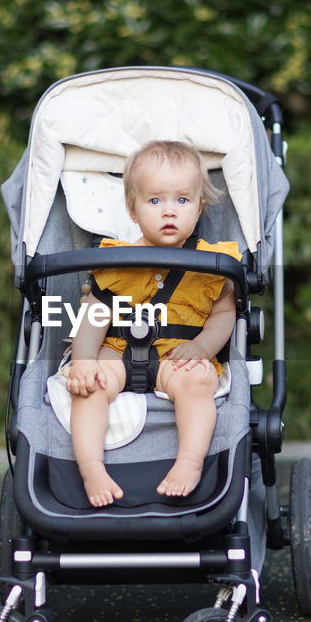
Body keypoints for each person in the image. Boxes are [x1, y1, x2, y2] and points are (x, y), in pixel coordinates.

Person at [64, 140, 239, 507]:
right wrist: (83, 359)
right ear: (133, 209)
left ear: (199, 207)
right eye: (155, 201)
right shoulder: (118, 261)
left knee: (197, 380)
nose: (169, 212)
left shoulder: (213, 263)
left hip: (177, 355)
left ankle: (189, 463)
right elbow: (95, 315)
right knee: (90, 386)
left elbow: (225, 314)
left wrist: (205, 347)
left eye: (182, 200)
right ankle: (91, 467)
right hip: (117, 349)